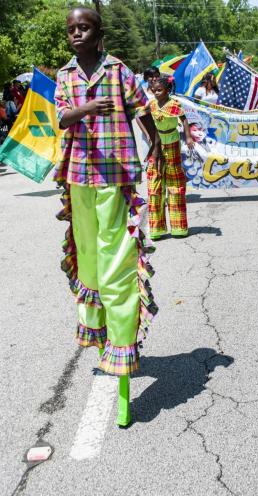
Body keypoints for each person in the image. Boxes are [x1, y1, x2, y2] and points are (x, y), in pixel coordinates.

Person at [54, 6, 159, 425]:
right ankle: (99, 334)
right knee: (91, 261)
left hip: (115, 175)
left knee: (116, 259)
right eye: (72, 29)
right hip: (78, 176)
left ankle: (121, 343)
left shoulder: (118, 71)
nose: (76, 34)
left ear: (99, 33)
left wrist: (152, 139)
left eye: (84, 28)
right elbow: (62, 117)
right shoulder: (65, 76)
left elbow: (140, 106)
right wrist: (87, 108)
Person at [146, 76, 194, 240]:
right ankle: (157, 228)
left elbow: (184, 119)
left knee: (174, 182)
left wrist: (188, 137)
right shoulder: (151, 104)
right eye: (154, 90)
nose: (156, 93)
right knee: (155, 183)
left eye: (160, 90)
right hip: (156, 144)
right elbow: (141, 117)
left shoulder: (173, 104)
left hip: (172, 142)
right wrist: (151, 138)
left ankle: (178, 226)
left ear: (167, 90)